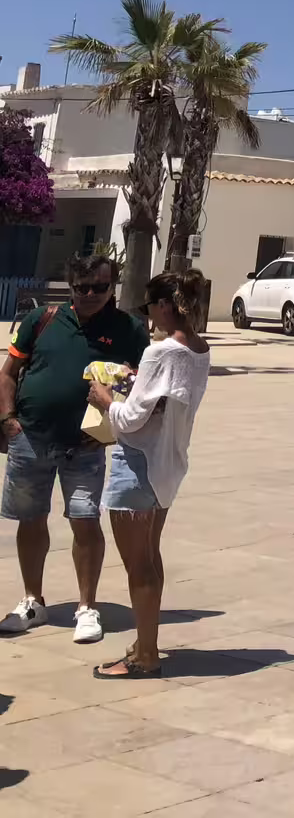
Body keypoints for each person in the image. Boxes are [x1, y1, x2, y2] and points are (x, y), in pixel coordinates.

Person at [0, 253, 147, 644]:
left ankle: (87, 607)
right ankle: (33, 601)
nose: (90, 295)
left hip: (85, 445)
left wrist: (121, 400)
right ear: (71, 287)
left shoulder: (128, 328)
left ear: (111, 285)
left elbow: (145, 386)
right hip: (29, 438)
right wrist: (8, 422)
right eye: (81, 288)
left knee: (84, 521)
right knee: (30, 519)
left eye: (99, 287)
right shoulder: (42, 320)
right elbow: (8, 374)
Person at [86, 270, 212, 679]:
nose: (150, 317)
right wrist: (137, 381)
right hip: (169, 464)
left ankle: (145, 656)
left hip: (138, 464)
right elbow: (166, 403)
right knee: (150, 558)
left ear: (163, 306)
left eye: (150, 307)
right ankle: (145, 643)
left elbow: (132, 420)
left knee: (137, 565)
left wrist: (106, 399)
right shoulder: (199, 349)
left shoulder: (159, 352)